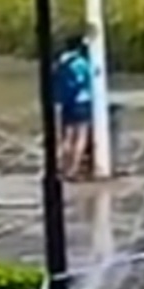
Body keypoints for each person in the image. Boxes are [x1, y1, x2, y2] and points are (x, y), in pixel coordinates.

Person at [53, 35, 95, 180]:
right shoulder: (83, 63)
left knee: (68, 136)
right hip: (82, 102)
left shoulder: (61, 62)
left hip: (66, 103)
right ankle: (73, 169)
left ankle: (62, 166)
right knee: (81, 136)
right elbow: (90, 79)